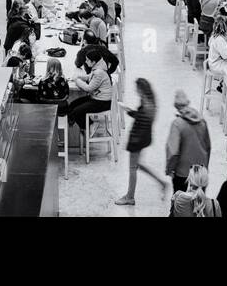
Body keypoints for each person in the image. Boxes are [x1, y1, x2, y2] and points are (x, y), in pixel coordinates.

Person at [114, 78, 168, 206]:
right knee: (138, 165)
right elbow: (142, 117)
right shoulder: (150, 101)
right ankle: (162, 182)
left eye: (137, 89)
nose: (135, 91)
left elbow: (141, 123)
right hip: (144, 139)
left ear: (141, 90)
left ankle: (130, 197)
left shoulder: (146, 105)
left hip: (137, 141)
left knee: (132, 168)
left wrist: (132, 144)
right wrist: (129, 110)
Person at [164, 89, 211, 192]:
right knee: (199, 204)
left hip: (182, 173)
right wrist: (205, 168)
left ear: (176, 106)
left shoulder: (177, 124)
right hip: (200, 172)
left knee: (180, 205)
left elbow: (173, 152)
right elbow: (208, 147)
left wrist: (169, 169)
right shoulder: (202, 121)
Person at [68, 49, 113, 131]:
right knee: (72, 105)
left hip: (102, 102)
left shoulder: (99, 72)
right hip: (97, 97)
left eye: (88, 60)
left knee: (76, 112)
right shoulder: (97, 67)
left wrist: (77, 80)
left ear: (93, 62)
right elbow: (89, 77)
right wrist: (79, 77)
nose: (86, 61)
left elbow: (88, 88)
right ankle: (85, 126)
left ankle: (89, 127)